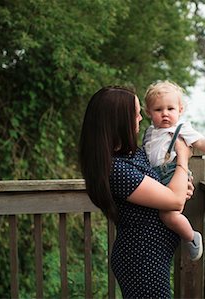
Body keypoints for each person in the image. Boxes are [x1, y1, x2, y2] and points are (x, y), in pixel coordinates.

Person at [79, 86, 195, 298]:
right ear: (119, 120)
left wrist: (178, 184)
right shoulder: (117, 169)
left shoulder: (131, 154)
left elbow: (166, 191)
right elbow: (175, 201)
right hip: (141, 262)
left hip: (150, 257)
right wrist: (183, 158)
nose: (141, 118)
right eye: (136, 113)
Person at [143, 80, 205, 262]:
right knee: (155, 214)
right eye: (158, 110)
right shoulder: (150, 132)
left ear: (180, 110)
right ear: (149, 112)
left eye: (170, 109)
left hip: (173, 175)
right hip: (155, 177)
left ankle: (191, 237)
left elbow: (201, 142)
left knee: (168, 214)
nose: (165, 114)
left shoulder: (181, 129)